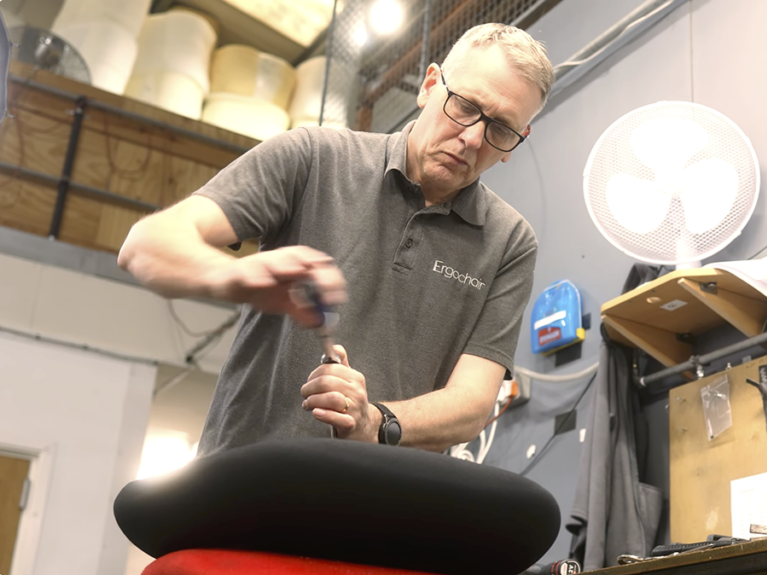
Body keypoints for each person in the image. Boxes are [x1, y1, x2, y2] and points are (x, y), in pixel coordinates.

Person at [118, 23, 555, 456]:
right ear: (428, 86)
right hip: (243, 480)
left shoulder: (509, 242)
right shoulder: (315, 157)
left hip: (381, 497)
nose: (473, 138)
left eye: (501, 129)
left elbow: (473, 404)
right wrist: (236, 276)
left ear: (518, 140)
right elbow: (146, 244)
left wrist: (375, 422)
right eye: (464, 105)